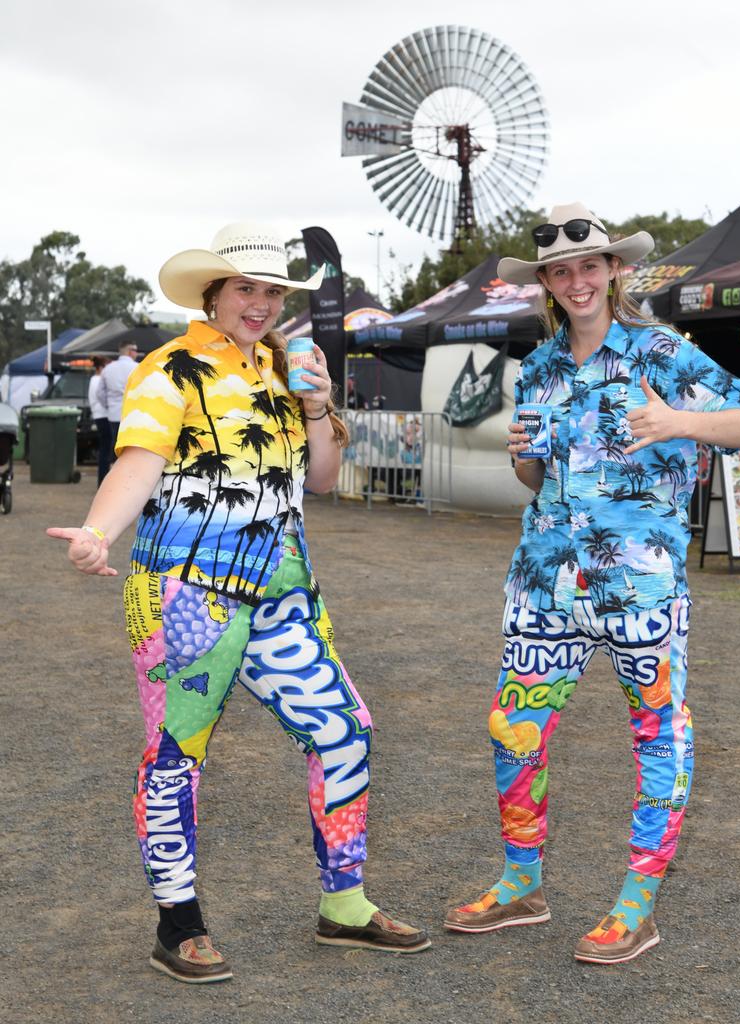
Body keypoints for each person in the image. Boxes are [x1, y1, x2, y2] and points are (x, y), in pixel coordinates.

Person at [47, 221, 430, 985]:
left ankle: (344, 905)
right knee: (175, 757)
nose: (259, 304)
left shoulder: (286, 367)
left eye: (270, 292)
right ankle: (177, 926)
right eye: (245, 290)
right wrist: (97, 531)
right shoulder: (171, 369)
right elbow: (139, 463)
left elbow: (320, 479)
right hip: (186, 596)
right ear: (215, 294)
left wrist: (319, 409)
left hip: (284, 592)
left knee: (345, 730)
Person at [444, 202, 740, 964]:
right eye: (562, 271)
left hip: (640, 587)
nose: (578, 280)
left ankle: (637, 906)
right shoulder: (542, 366)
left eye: (591, 265)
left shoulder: (662, 352)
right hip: (545, 583)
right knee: (511, 728)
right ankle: (521, 883)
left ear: (615, 269)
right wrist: (523, 453)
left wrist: (679, 424)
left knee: (658, 735)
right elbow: (534, 477)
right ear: (548, 284)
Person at [97, 339, 139, 459]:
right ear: (130, 351)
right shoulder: (137, 368)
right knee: (131, 448)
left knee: (115, 446)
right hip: (132, 414)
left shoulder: (108, 368)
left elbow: (100, 393)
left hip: (114, 414)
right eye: (135, 350)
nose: (137, 353)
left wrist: (109, 405)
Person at [88, 355, 112, 484]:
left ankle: (102, 479)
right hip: (104, 415)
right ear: (101, 367)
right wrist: (110, 406)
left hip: (98, 415)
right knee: (106, 449)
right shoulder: (99, 380)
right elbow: (100, 395)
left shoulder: (93, 379)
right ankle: (103, 479)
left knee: (105, 448)